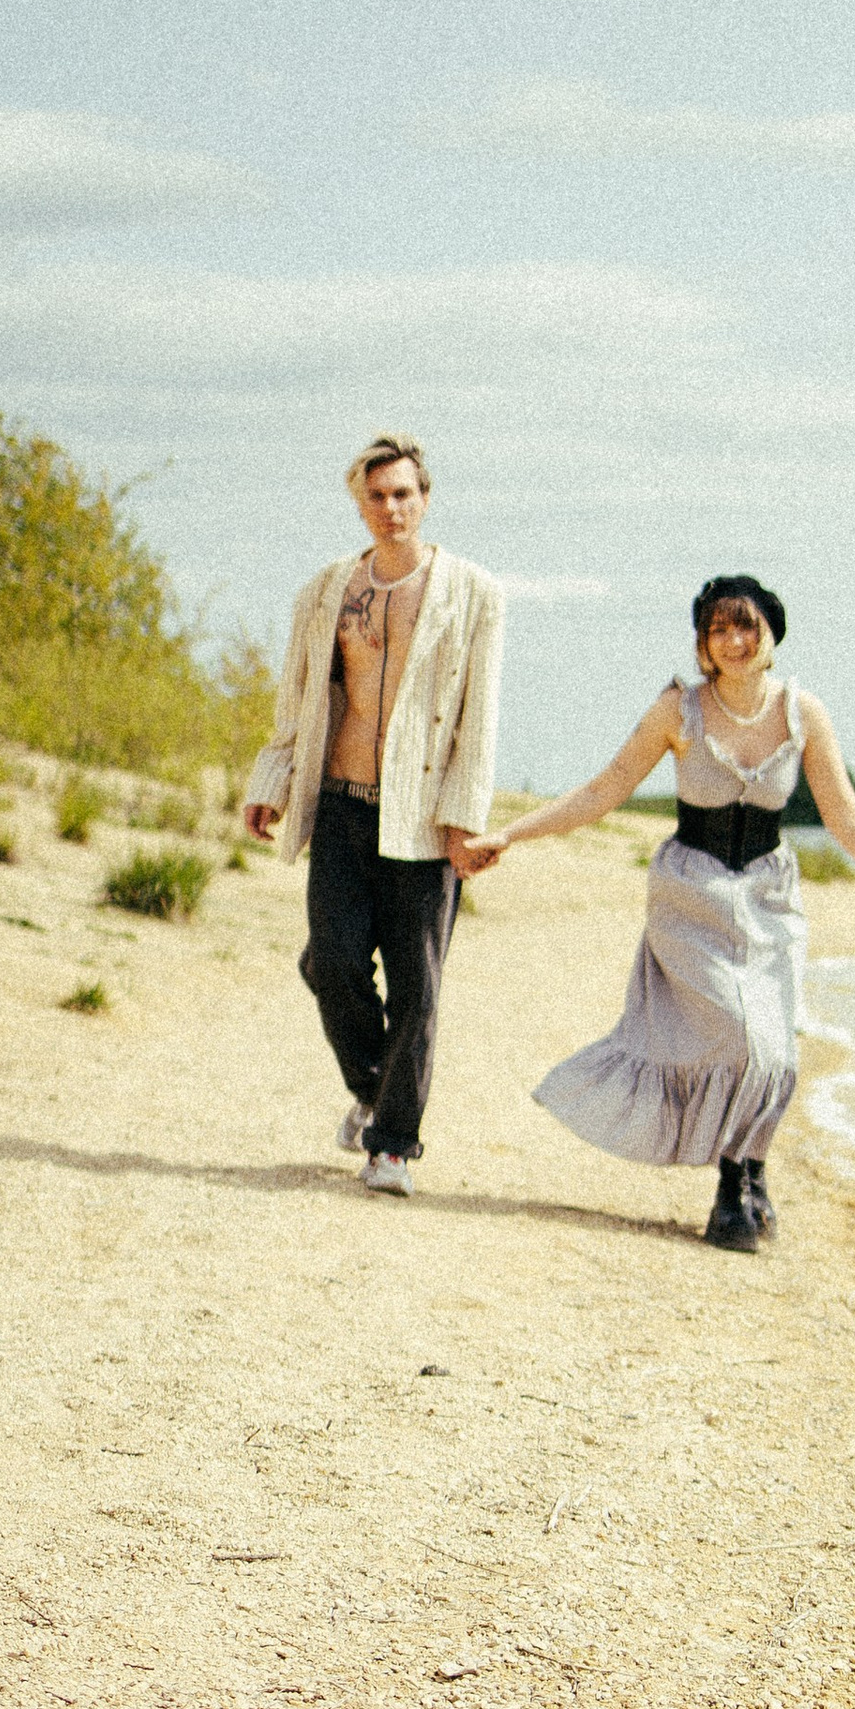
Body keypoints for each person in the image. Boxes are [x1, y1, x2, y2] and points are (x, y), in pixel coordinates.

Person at [459, 573, 855, 1251]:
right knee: (736, 1033)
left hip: (770, 898)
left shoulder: (803, 714)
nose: (734, 640)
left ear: (772, 634)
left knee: (774, 1048)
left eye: (747, 626)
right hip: (691, 896)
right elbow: (604, 790)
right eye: (719, 629)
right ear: (703, 643)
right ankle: (732, 1183)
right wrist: (510, 835)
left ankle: (748, 1172)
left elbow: (844, 815)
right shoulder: (678, 711)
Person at [241, 434, 503, 1194]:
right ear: (359, 505)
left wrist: (464, 818)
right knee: (333, 964)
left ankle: (391, 1146)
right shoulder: (326, 591)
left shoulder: (473, 592)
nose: (391, 509)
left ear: (425, 499)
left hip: (423, 816)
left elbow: (479, 717)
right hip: (343, 804)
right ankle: (374, 1087)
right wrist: (272, 780)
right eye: (377, 496)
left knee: (418, 990)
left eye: (403, 494)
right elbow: (298, 697)